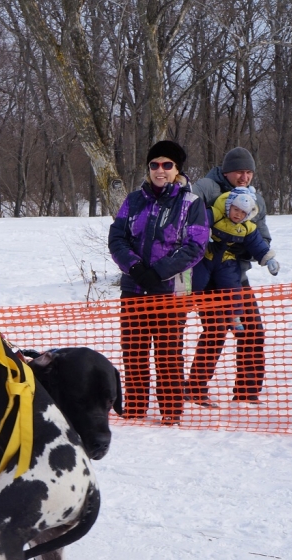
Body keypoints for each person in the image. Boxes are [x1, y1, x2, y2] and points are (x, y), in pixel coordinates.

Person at [108, 140, 209, 426]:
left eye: (167, 165)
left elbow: (195, 246)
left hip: (171, 292)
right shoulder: (133, 200)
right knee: (134, 350)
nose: (160, 170)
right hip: (134, 289)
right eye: (154, 165)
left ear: (177, 170)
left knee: (167, 353)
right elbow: (117, 238)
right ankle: (137, 406)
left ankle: (171, 410)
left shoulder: (192, 203)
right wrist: (136, 268)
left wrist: (159, 272)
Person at [188, 147, 272, 403]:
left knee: (253, 330)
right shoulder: (206, 187)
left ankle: (247, 391)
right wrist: (207, 240)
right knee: (215, 330)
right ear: (226, 171)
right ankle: (194, 389)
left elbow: (263, 236)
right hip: (207, 274)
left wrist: (242, 245)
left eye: (249, 172)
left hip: (235, 275)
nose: (244, 177)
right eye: (239, 171)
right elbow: (185, 214)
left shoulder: (254, 199)